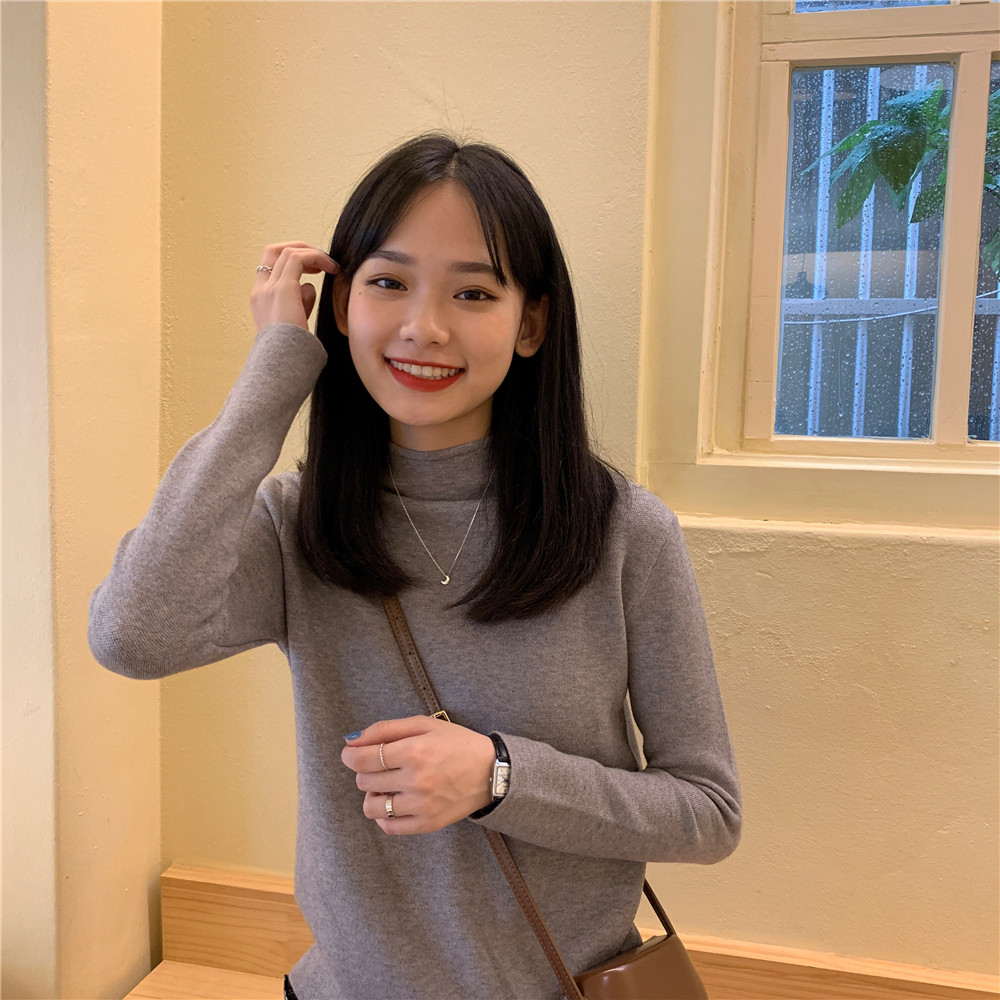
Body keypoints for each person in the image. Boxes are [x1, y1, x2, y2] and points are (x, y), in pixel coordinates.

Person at [88, 132, 741, 1000]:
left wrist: (499, 776)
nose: (423, 327)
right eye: (388, 283)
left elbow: (706, 811)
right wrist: (273, 372)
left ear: (532, 324)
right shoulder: (298, 525)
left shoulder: (623, 530)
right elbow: (132, 634)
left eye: (474, 292)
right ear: (341, 304)